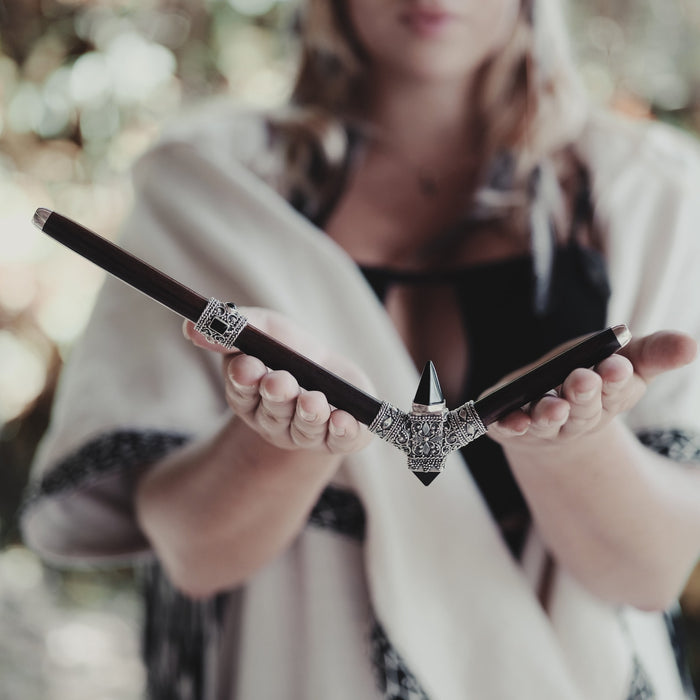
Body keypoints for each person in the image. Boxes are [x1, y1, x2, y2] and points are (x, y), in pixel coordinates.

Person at [20, 0, 700, 698]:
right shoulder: (201, 187)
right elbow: (194, 556)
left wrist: (574, 447)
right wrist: (282, 442)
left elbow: (650, 574)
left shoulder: (650, 191)